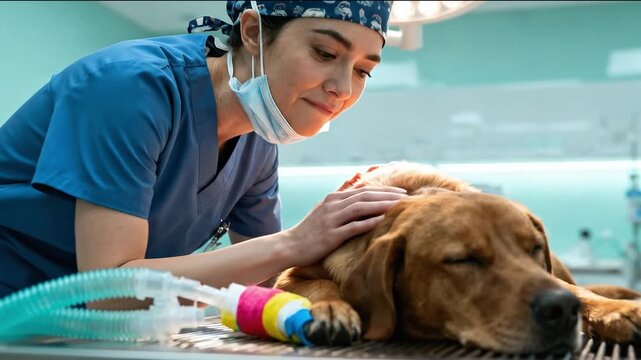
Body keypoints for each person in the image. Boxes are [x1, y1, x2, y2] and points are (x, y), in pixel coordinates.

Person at [0, 1, 403, 303]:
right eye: (325, 54)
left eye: (363, 70)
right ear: (252, 32)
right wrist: (296, 241)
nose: (343, 89)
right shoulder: (128, 88)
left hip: (82, 327)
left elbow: (265, 282)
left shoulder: (258, 139)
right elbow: (111, 293)